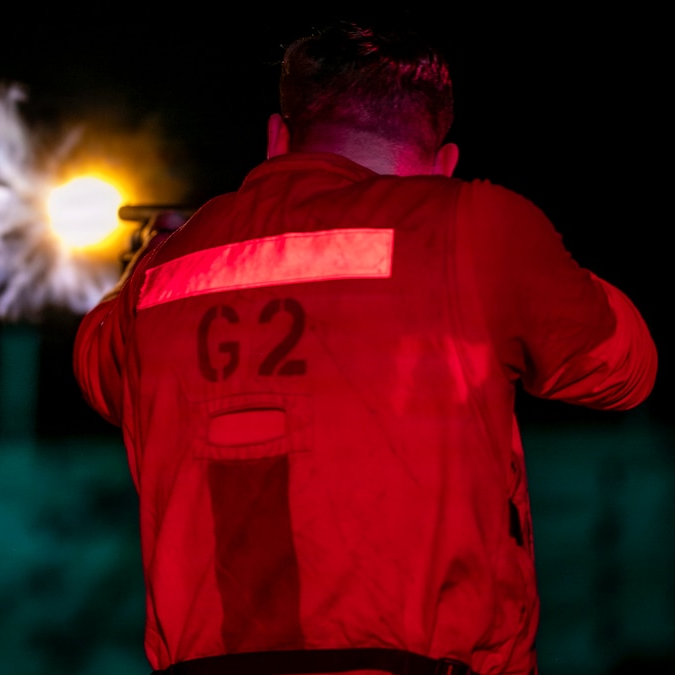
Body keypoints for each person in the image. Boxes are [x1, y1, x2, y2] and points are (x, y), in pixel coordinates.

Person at [73, 19, 657, 675]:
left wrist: (149, 253)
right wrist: (522, 258)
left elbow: (98, 370)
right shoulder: (473, 226)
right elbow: (626, 369)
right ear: (443, 162)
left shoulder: (162, 271)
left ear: (275, 138)